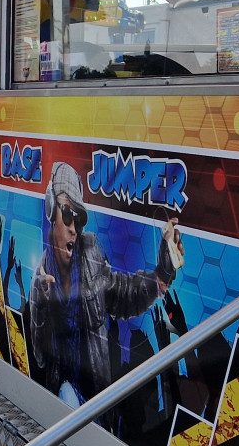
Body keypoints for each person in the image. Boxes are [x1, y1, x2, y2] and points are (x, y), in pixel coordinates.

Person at [26, 161, 182, 406]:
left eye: (78, 219)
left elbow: (122, 294)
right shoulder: (41, 275)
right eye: (67, 214)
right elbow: (40, 357)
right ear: (51, 209)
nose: (73, 228)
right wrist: (38, 305)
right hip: (61, 394)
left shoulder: (90, 253)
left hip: (95, 397)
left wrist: (161, 276)